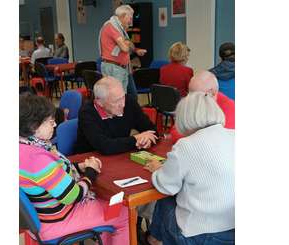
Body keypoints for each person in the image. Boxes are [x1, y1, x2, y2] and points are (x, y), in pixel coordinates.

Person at [19, 94, 129, 244]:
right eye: (50, 122)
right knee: (121, 211)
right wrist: (91, 172)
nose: (55, 125)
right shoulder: (38, 159)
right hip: (56, 223)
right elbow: (73, 196)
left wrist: (79, 167)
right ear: (34, 126)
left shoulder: (24, 147)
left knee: (107, 205)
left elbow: (49, 177)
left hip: (39, 219)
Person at [144, 91, 235, 245]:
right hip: (234, 228)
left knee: (165, 200)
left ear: (184, 117)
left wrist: (157, 170)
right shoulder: (234, 135)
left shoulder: (186, 146)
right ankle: (154, 239)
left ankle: (153, 239)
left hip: (201, 234)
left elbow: (166, 186)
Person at [74, 76, 157, 155]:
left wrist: (146, 140)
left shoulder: (129, 101)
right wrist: (136, 139)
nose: (122, 104)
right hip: (90, 160)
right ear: (99, 102)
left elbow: (152, 130)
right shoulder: (87, 112)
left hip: (119, 156)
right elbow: (105, 146)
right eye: (116, 101)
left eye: (122, 97)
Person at [169, 70, 235, 144]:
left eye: (197, 95)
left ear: (212, 93)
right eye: (189, 93)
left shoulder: (231, 109)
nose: (191, 98)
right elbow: (175, 132)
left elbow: (216, 142)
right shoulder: (195, 102)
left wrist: (190, 135)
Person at [99, 4, 147, 94]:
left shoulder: (120, 28)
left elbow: (128, 44)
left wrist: (135, 50)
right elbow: (125, 48)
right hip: (114, 69)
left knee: (129, 97)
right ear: (123, 16)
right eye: (130, 18)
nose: (131, 21)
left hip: (123, 68)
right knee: (118, 98)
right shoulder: (112, 27)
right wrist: (127, 43)